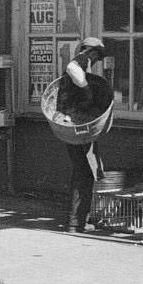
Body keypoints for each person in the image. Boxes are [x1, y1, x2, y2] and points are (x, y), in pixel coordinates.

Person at [57, 37, 109, 233]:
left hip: (76, 126)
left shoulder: (84, 63)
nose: (95, 59)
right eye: (96, 55)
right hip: (77, 128)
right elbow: (72, 68)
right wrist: (86, 88)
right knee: (84, 172)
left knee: (84, 171)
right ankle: (76, 223)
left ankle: (77, 221)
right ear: (92, 52)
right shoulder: (81, 61)